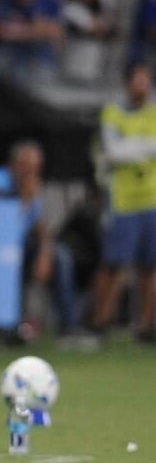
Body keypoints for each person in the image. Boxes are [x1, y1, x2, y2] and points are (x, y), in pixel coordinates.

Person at [0, 141, 80, 338]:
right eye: (25, 166)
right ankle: (3, 325)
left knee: (60, 255)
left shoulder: (33, 186)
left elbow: (40, 228)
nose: (30, 172)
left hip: (19, 247)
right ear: (13, 164)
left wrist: (44, 254)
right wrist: (26, 195)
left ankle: (69, 326)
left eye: (35, 168)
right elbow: (0, 225)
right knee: (8, 258)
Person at [91, 63, 156, 341]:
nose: (142, 85)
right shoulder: (113, 112)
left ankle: (146, 326)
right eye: (137, 80)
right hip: (123, 201)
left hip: (152, 200)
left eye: (147, 80)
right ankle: (98, 322)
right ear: (127, 83)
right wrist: (146, 147)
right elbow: (113, 153)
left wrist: (133, 147)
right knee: (113, 264)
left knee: (150, 266)